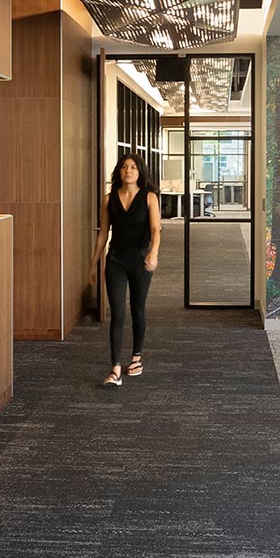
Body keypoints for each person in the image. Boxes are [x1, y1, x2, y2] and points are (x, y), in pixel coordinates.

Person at [93, 154, 160, 387]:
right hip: (116, 261)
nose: (128, 171)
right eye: (124, 167)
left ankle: (136, 357)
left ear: (140, 172)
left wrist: (154, 253)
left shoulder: (150, 197)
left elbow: (156, 229)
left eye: (132, 167)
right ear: (119, 171)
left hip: (141, 261)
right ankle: (115, 369)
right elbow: (103, 233)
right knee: (118, 314)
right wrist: (94, 263)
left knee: (137, 310)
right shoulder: (108, 199)